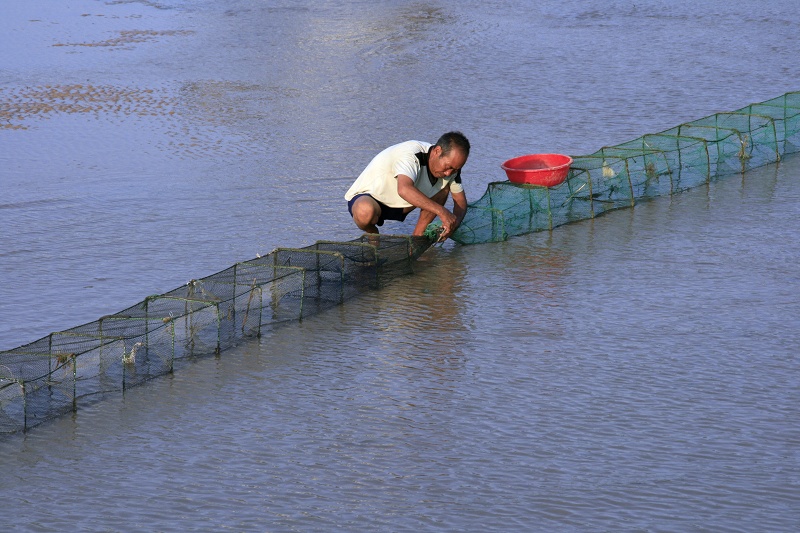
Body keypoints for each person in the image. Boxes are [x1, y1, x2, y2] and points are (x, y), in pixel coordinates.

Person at [345, 131, 469, 242]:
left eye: (455, 169)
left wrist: (452, 225)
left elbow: (460, 202)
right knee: (364, 211)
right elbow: (404, 189)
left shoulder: (453, 170)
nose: (449, 173)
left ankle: (417, 238)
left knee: (444, 187)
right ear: (437, 151)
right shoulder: (411, 154)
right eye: (448, 167)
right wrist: (442, 212)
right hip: (372, 198)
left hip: (403, 205)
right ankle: (372, 234)